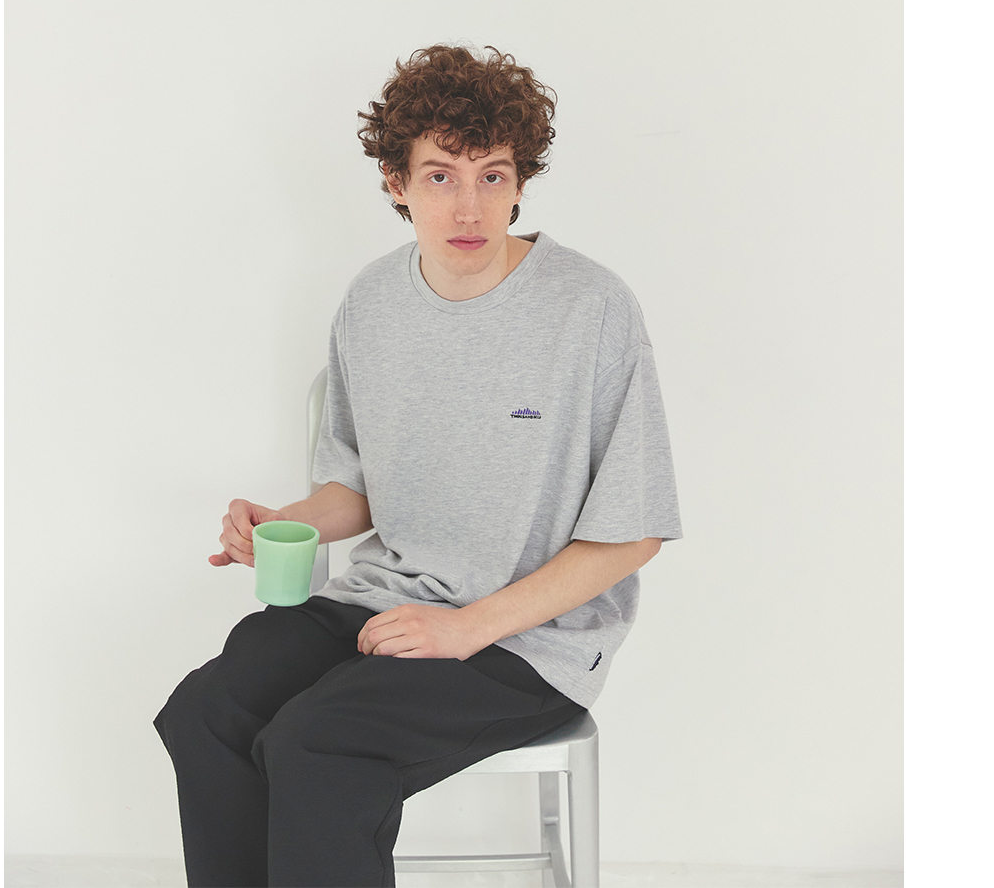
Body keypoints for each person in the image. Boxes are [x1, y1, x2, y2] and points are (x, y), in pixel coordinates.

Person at [154, 43, 683, 888]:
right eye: (441, 176)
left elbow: (633, 533)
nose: (469, 206)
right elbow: (357, 488)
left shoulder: (590, 309)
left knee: (317, 743)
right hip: (385, 602)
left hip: (527, 640)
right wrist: (284, 523)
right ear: (396, 183)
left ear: (520, 180)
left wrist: (465, 629)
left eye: (492, 175)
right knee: (206, 713)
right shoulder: (371, 302)